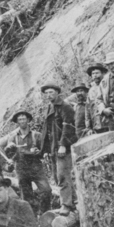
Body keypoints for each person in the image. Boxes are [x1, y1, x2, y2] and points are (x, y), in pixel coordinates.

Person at [2, 111, 51, 215]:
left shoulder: (37, 135)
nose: (22, 121)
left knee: (46, 190)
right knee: (26, 196)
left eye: (24, 119)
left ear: (28, 120)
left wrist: (39, 152)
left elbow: (45, 151)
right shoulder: (12, 138)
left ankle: (44, 214)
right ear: (17, 122)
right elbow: (8, 156)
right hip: (21, 169)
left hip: (36, 168)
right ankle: (31, 218)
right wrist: (9, 154)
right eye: (20, 119)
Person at [39, 85, 77, 215]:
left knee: (62, 175)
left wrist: (63, 144)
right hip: (53, 147)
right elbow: (47, 129)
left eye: (51, 92)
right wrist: (45, 148)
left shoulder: (65, 106)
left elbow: (69, 126)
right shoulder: (50, 107)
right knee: (56, 176)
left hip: (62, 147)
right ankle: (74, 201)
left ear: (57, 93)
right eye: (46, 93)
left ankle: (66, 205)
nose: (48, 95)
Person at [86, 64, 109, 133]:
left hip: (109, 123)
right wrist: (88, 127)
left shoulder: (108, 85)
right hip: (97, 125)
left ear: (103, 73)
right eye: (93, 74)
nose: (95, 75)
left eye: (97, 73)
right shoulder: (91, 91)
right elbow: (87, 109)